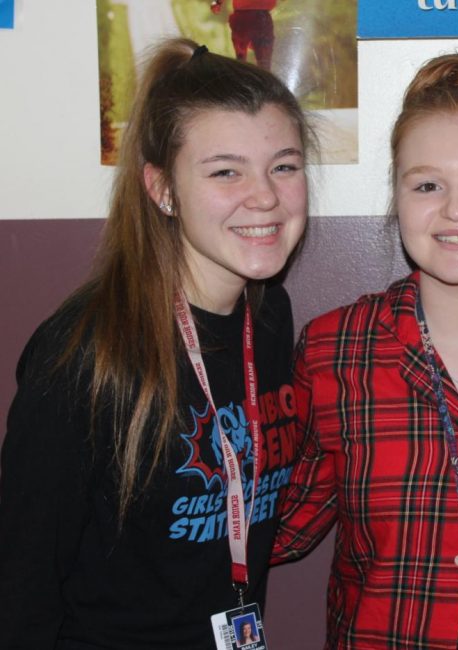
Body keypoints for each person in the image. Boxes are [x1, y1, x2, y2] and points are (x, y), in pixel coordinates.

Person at [0, 38, 312, 648]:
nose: (266, 196)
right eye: (226, 171)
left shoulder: (270, 315)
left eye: (285, 165)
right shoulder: (85, 356)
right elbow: (20, 590)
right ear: (163, 189)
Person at [273, 53, 458, 649]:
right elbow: (279, 528)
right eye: (427, 184)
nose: (456, 209)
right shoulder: (336, 351)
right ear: (398, 198)